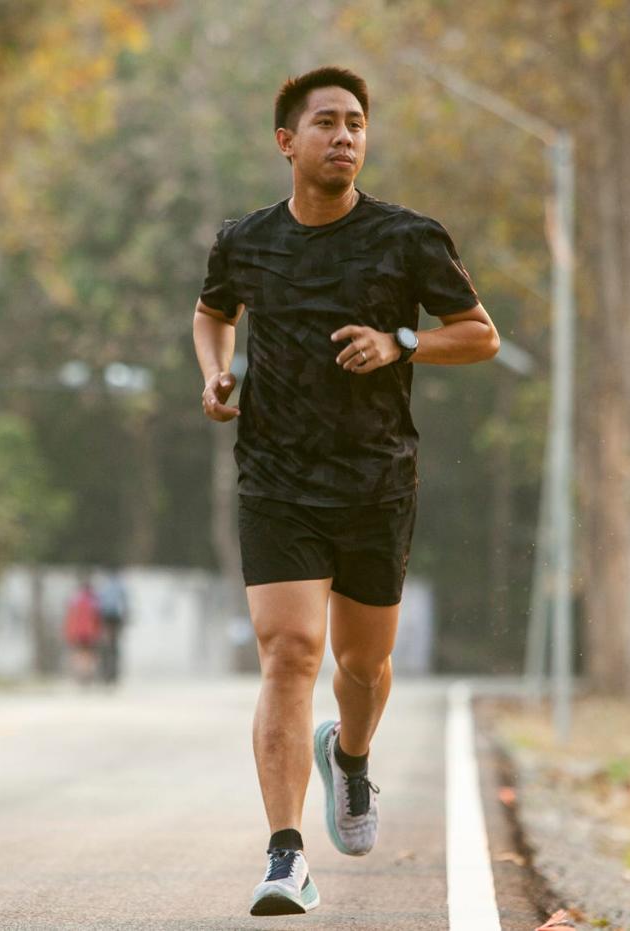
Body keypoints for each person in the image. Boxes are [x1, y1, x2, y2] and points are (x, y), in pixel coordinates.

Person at [193, 66, 499, 917]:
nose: (345, 136)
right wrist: (217, 374)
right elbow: (212, 311)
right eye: (326, 122)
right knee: (289, 651)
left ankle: (351, 757)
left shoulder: (409, 238)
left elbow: (479, 335)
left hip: (375, 481)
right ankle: (285, 855)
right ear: (287, 142)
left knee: (361, 664)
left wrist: (401, 340)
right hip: (276, 478)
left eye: (357, 124)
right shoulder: (244, 239)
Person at [63, 576, 102, 686]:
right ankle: (88, 673)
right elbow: (97, 617)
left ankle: (79, 673)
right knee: (89, 653)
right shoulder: (94, 600)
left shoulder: (75, 599)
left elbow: (70, 616)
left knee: (79, 652)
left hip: (77, 631)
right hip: (90, 631)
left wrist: (69, 630)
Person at [95, 569, 128, 685]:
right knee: (114, 645)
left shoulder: (103, 586)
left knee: (105, 643)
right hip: (114, 617)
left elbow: (98, 603)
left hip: (104, 617)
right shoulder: (120, 585)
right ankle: (112, 673)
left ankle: (106, 672)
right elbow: (124, 602)